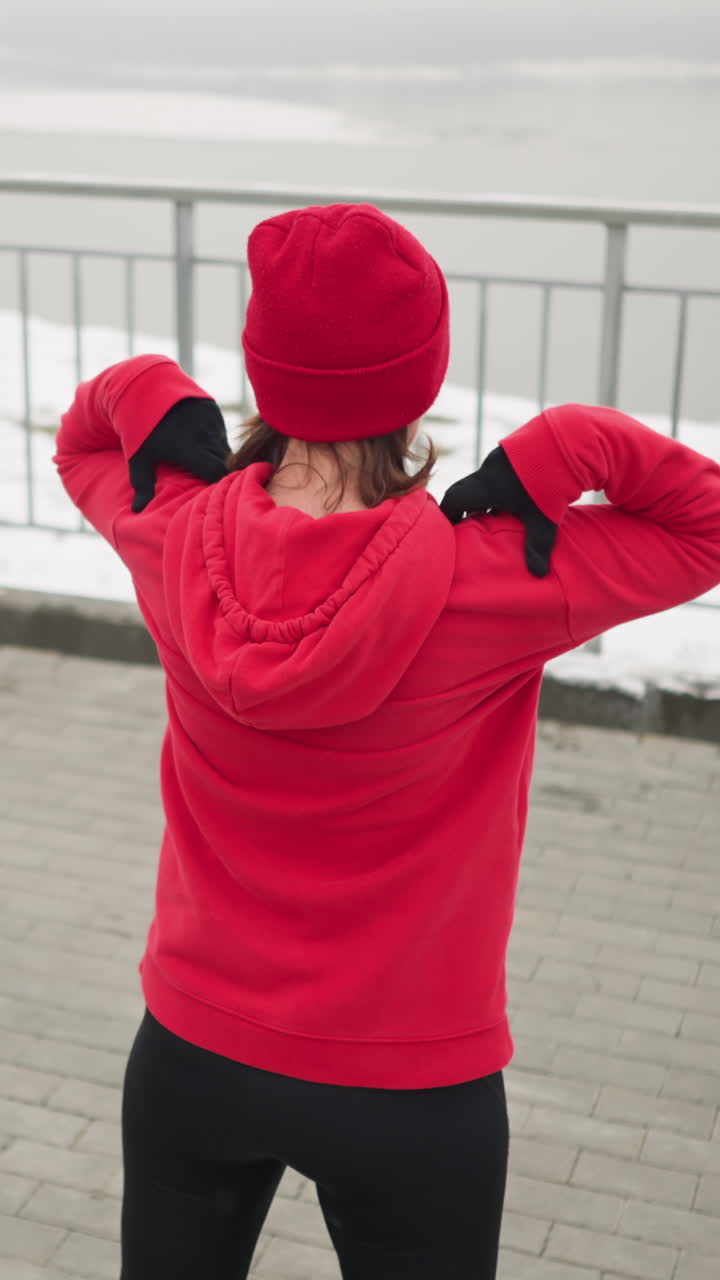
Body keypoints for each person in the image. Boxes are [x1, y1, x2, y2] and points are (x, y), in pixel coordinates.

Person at [53, 202, 720, 1280]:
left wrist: (147, 391)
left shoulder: (170, 533)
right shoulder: (500, 579)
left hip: (194, 1051)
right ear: (419, 382)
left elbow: (83, 440)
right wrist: (571, 442)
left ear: (265, 375)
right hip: (411, 1086)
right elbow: (706, 522)